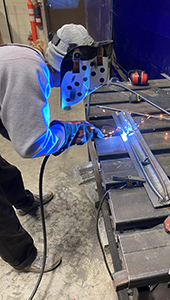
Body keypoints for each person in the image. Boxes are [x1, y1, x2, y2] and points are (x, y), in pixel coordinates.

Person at [0, 24, 104, 273]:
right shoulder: (30, 71)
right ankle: (23, 257)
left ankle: (24, 202)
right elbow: (30, 144)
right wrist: (67, 133)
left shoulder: (31, 59)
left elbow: (7, 118)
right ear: (70, 66)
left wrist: (60, 131)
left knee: (6, 173)